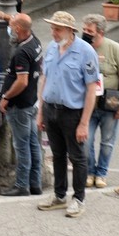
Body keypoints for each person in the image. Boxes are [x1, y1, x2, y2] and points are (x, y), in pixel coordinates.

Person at [36, 11, 98, 218]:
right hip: (51, 109)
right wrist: (40, 112)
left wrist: (84, 123)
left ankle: (78, 199)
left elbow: (91, 89)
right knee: (57, 155)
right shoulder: (52, 48)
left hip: (73, 112)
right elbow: (44, 79)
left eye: (57, 29)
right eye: (52, 28)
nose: (53, 32)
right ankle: (59, 195)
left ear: (70, 31)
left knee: (78, 158)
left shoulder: (85, 51)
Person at [0, 10, 43, 197]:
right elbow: (20, 21)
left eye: (12, 28)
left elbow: (22, 81)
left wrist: (5, 98)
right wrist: (5, 17)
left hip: (19, 106)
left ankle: (22, 186)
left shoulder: (22, 52)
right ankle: (35, 184)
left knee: (21, 147)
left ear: (19, 29)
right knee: (33, 144)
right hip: (31, 103)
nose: (10, 30)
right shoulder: (34, 41)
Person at [82, 14, 119, 189]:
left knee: (106, 143)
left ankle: (101, 173)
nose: (85, 33)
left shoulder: (113, 48)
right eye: (84, 29)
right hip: (87, 106)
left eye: (90, 30)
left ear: (100, 32)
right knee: (85, 142)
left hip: (109, 106)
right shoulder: (81, 48)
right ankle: (89, 172)